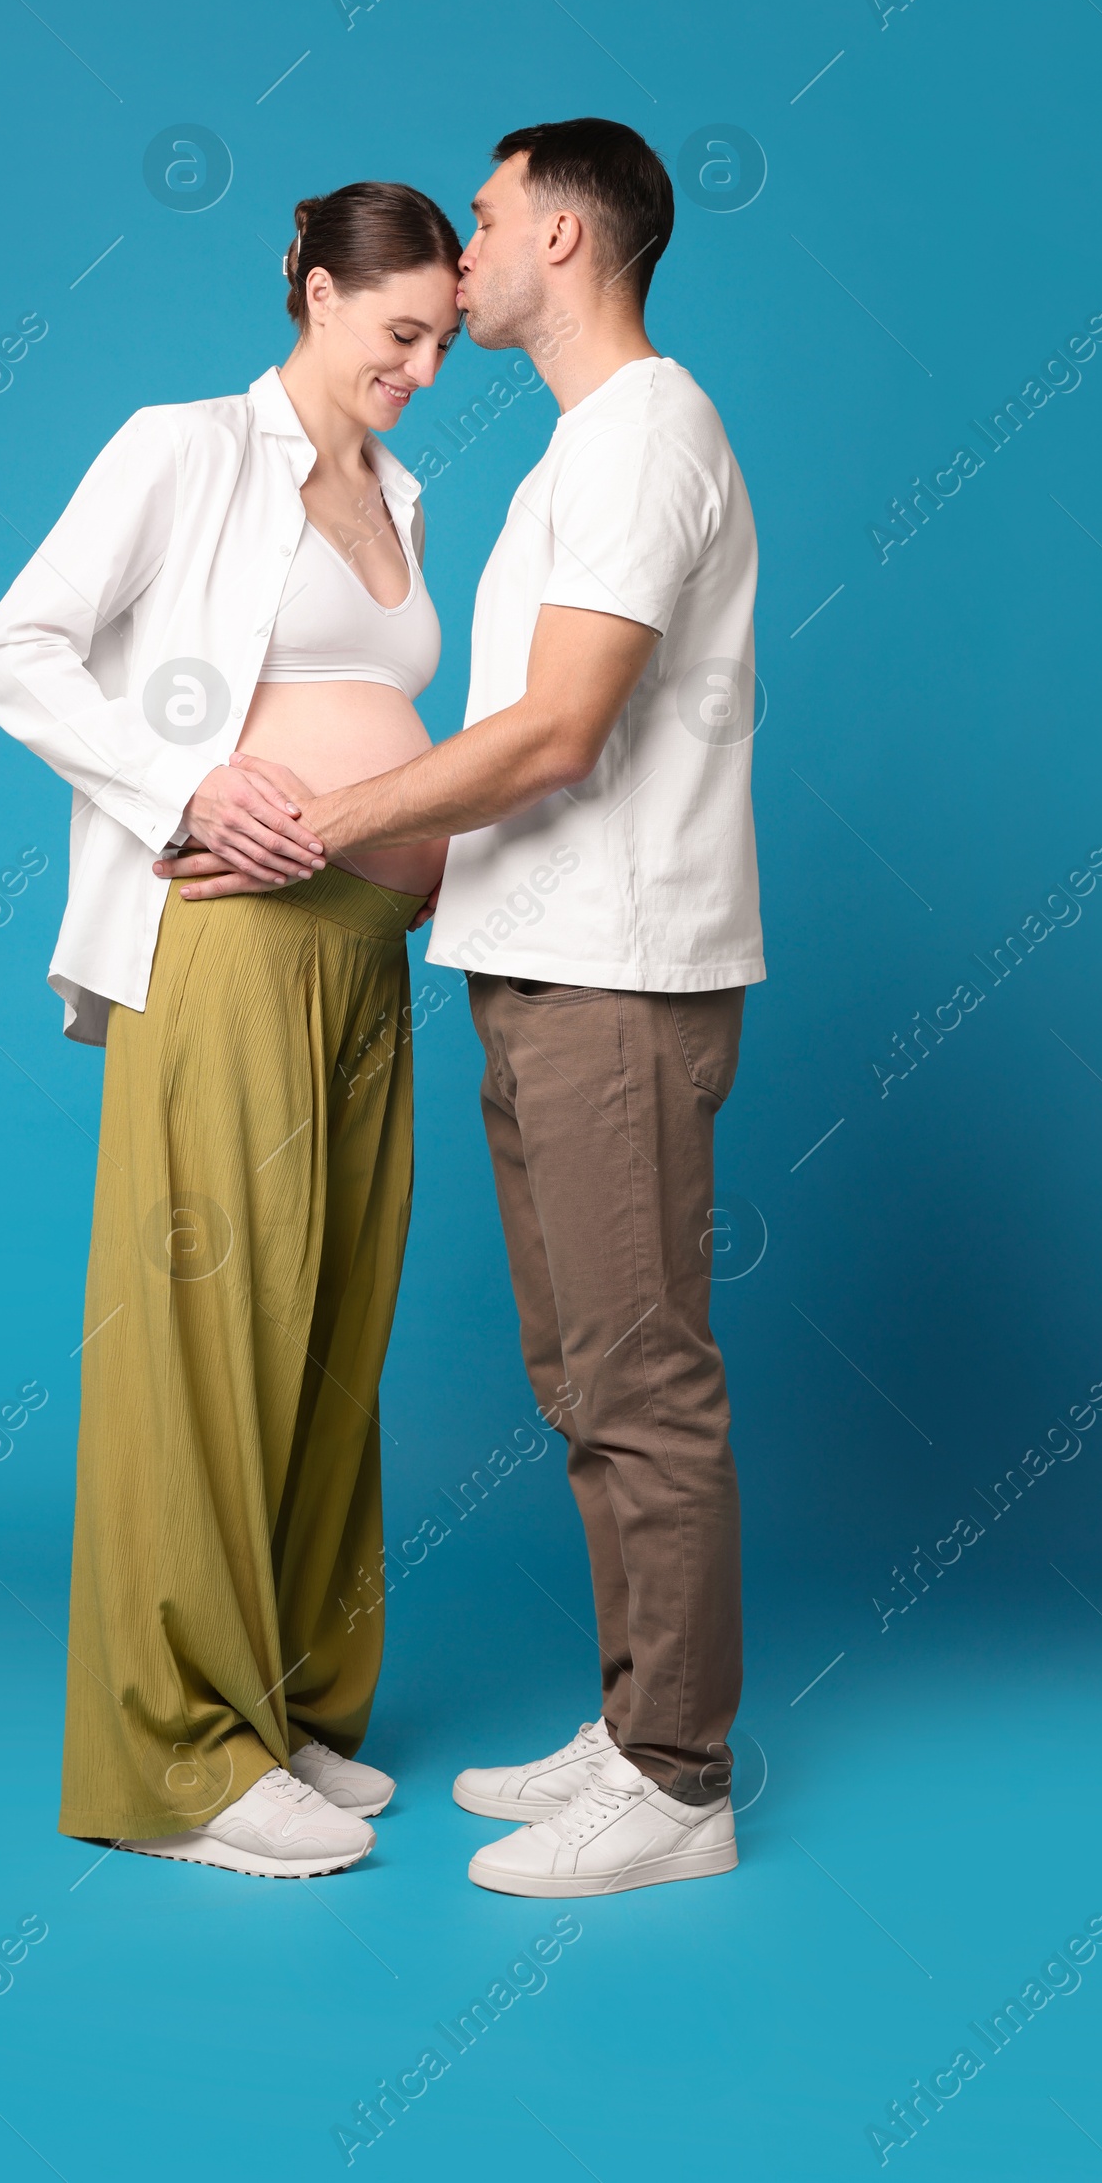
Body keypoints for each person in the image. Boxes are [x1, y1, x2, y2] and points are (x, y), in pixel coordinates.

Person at [171, 117, 764, 1897]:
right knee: (578, 1366)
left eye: (490, 218)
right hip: (537, 959)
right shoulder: (590, 448)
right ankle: (635, 1721)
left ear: (566, 242)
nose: (467, 247)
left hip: (619, 975)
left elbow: (561, 729)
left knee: (640, 1372)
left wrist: (318, 827)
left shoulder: (650, 433)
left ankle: (676, 1786)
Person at [0, 180, 462, 1879]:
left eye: (444, 342)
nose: (420, 368)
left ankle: (289, 1704)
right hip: (231, 942)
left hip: (368, 954)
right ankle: (177, 1757)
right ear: (311, 291)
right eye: (397, 331)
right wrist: (189, 781)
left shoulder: (404, 493)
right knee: (210, 1325)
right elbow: (15, 649)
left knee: (333, 1318)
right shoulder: (181, 447)